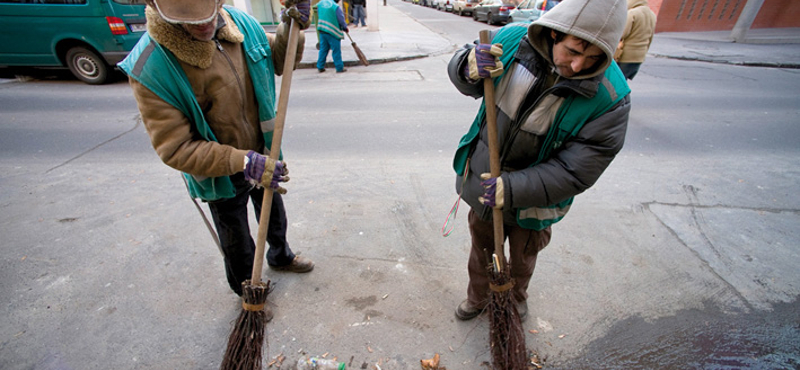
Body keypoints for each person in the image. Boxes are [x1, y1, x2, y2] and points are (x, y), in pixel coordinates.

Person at [118, 0, 315, 312]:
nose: (205, 25)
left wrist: (292, 27)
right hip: (220, 171)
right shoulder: (151, 66)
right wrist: (243, 162)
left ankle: (280, 255)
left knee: (273, 212)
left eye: (210, 14)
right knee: (237, 241)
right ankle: (248, 292)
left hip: (264, 153)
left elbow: (279, 60)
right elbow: (175, 148)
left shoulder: (240, 24)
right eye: (192, 21)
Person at [447, 0, 631, 321]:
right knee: (483, 251)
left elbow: (576, 172)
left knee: (522, 257)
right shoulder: (510, 43)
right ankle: (478, 298)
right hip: (485, 179)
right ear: (555, 34)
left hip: (535, 199)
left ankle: (514, 300)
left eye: (592, 59)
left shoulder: (611, 98)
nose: (577, 66)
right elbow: (465, 73)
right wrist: (466, 66)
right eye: (573, 51)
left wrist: (513, 188)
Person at [614, 0, 657, 80]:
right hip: (639, 57)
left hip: (625, 56)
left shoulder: (632, 13)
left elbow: (622, 33)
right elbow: (650, 37)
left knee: (615, 82)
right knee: (623, 81)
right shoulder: (652, 15)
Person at [316, 0, 349, 73]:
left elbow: (318, 14)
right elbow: (340, 19)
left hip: (322, 29)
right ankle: (339, 67)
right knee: (336, 50)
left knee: (323, 49)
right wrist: (345, 27)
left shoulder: (320, 3)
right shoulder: (335, 6)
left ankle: (320, 66)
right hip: (332, 31)